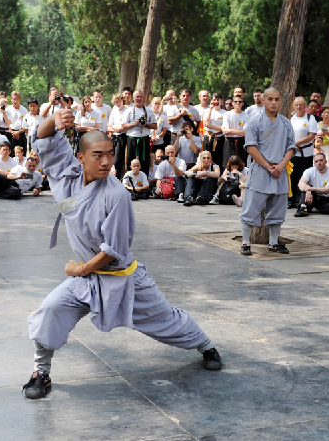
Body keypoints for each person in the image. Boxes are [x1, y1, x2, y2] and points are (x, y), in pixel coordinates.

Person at [22, 110, 223, 400]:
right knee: (50, 311)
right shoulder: (66, 171)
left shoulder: (117, 194)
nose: (105, 162)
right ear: (81, 158)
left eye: (110, 154)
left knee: (166, 321)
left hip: (121, 276)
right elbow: (42, 137)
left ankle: (206, 345)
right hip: (86, 278)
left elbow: (112, 250)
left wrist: (80, 270)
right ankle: (41, 372)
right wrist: (56, 119)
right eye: (97, 155)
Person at [239, 87, 296, 256]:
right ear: (263, 100)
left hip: (280, 170)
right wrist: (267, 165)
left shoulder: (286, 123)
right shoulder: (254, 121)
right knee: (251, 206)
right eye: (270, 99)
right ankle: (245, 242)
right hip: (260, 170)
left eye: (277, 99)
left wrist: (280, 166)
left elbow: (291, 147)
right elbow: (250, 147)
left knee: (278, 207)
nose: (273, 102)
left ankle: (273, 242)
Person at [122, 90, 157, 177]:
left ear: (143, 98)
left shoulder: (148, 110)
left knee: (144, 161)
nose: (139, 99)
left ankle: (144, 181)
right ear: (133, 98)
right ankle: (130, 181)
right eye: (137, 97)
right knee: (131, 160)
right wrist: (134, 123)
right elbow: (123, 125)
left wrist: (146, 125)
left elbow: (155, 126)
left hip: (144, 139)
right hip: (132, 138)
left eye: (140, 97)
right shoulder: (128, 111)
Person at [294, 153, 329, 217]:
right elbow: (300, 183)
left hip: (327, 199)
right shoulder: (309, 171)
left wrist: (310, 188)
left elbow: (326, 190)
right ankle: (303, 208)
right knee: (306, 186)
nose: (319, 163)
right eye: (316, 161)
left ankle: (312, 209)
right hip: (313, 197)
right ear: (314, 163)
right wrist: (308, 190)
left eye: (321, 160)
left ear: (325, 161)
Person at [221, 95, 248, 169]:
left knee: (242, 165)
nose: (238, 103)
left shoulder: (246, 115)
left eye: (240, 102)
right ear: (232, 103)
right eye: (236, 102)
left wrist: (230, 130)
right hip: (229, 143)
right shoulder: (227, 114)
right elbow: (225, 131)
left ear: (243, 103)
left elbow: (245, 132)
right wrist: (239, 131)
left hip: (241, 143)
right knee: (227, 166)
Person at [108, 94, 128, 181]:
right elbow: (109, 125)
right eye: (116, 102)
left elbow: (123, 126)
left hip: (124, 137)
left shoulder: (127, 110)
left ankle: (119, 178)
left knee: (120, 159)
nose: (118, 103)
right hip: (115, 136)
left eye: (119, 101)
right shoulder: (114, 110)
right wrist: (116, 128)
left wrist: (118, 128)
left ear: (122, 101)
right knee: (112, 157)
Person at [203, 94, 226, 167]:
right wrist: (210, 109)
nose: (216, 102)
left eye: (218, 100)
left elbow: (223, 127)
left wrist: (212, 126)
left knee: (218, 158)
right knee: (206, 157)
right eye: (214, 100)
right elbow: (205, 122)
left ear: (221, 101)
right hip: (208, 137)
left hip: (219, 137)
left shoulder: (224, 113)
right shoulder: (207, 110)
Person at [3, 91, 28, 156]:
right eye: (14, 99)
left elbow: (25, 124)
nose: (15, 101)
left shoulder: (24, 110)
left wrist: (18, 132)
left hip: (21, 133)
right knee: (11, 155)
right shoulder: (7, 110)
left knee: (22, 154)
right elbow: (6, 122)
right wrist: (12, 132)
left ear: (20, 99)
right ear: (11, 99)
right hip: (10, 134)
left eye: (17, 99)